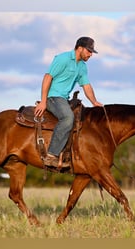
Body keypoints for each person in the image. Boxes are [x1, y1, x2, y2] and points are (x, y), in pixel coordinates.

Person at [34, 36, 103, 167]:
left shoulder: (82, 66)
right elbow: (47, 77)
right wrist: (43, 102)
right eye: (89, 51)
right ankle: (51, 155)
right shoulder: (63, 58)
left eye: (92, 52)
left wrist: (94, 102)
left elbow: (86, 85)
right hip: (53, 97)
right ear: (80, 48)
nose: (90, 55)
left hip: (64, 99)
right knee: (67, 117)